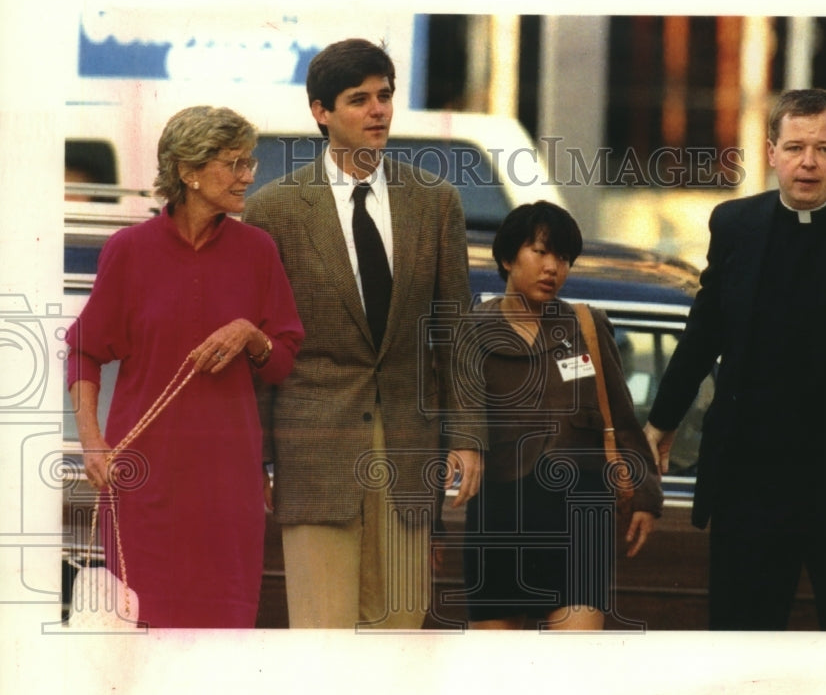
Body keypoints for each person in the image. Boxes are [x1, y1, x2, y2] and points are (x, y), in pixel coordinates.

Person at [643, 89, 826, 631]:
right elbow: (703, 332)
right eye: (795, 147)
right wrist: (661, 421)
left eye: (824, 148)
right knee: (741, 644)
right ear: (771, 151)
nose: (808, 162)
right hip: (751, 485)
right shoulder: (734, 226)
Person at [243, 38, 482, 629]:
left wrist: (469, 435)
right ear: (321, 111)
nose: (378, 110)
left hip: (408, 451)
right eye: (359, 100)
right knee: (323, 639)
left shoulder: (435, 202)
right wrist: (259, 460)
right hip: (313, 453)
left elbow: (454, 330)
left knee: (400, 636)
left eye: (385, 96)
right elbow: (264, 349)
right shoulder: (275, 210)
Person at [66, 106, 304, 628]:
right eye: (233, 164)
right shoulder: (129, 251)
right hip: (144, 480)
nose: (247, 176)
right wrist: (91, 441)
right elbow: (83, 348)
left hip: (227, 482)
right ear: (188, 171)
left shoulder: (257, 250)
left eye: (250, 163)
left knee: (223, 634)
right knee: (144, 631)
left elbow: (283, 359)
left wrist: (251, 334)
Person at [461, 201, 661, 630]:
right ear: (507, 258)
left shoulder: (585, 326)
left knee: (573, 674)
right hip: (499, 518)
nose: (553, 268)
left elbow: (622, 420)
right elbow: (447, 431)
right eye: (541, 252)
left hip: (578, 516)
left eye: (564, 258)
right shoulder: (472, 331)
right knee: (498, 678)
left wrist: (645, 496)